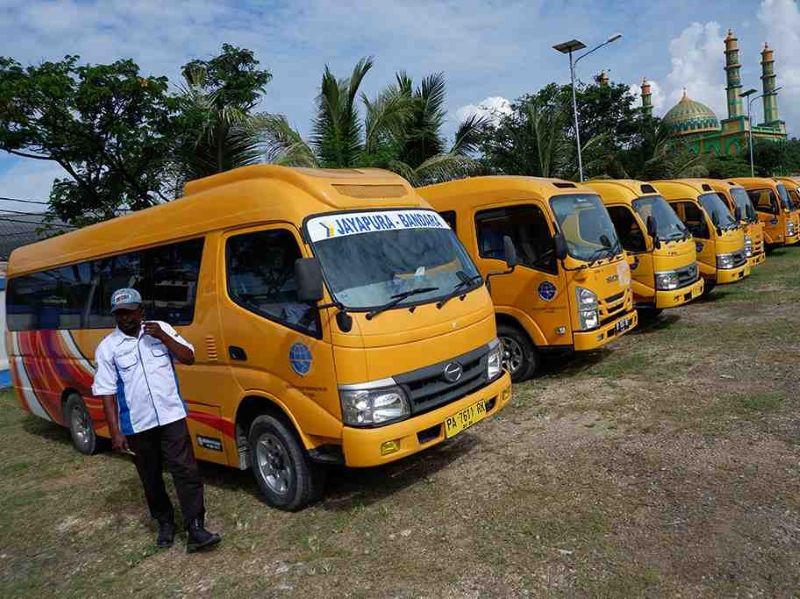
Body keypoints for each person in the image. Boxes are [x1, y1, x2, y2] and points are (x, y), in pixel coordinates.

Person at [92, 287, 221, 553]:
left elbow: (189, 357)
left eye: (129, 312)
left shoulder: (161, 330)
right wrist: (115, 432)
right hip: (138, 425)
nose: (125, 318)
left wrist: (162, 336)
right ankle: (165, 523)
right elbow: (106, 392)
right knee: (150, 478)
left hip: (171, 415)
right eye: (119, 314)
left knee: (186, 471)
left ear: (141, 311)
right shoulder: (108, 348)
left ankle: (196, 528)